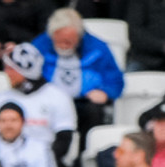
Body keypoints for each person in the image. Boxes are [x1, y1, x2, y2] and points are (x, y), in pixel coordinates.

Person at [32, 7, 124, 148]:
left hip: (83, 102)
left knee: (94, 111)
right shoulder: (39, 46)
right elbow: (27, 75)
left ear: (79, 36)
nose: (64, 46)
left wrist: (105, 92)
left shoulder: (98, 48)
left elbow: (116, 80)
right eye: (59, 41)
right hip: (49, 102)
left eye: (68, 41)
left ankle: (86, 152)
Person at [0, 42, 76, 167]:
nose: (6, 73)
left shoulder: (58, 96)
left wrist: (40, 161)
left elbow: (64, 139)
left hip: (47, 163)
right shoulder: (2, 97)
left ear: (26, 70)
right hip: (7, 163)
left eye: (11, 69)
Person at [127, 0, 165, 73]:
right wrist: (161, 46)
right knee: (128, 77)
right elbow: (134, 32)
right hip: (143, 59)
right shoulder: (141, 2)